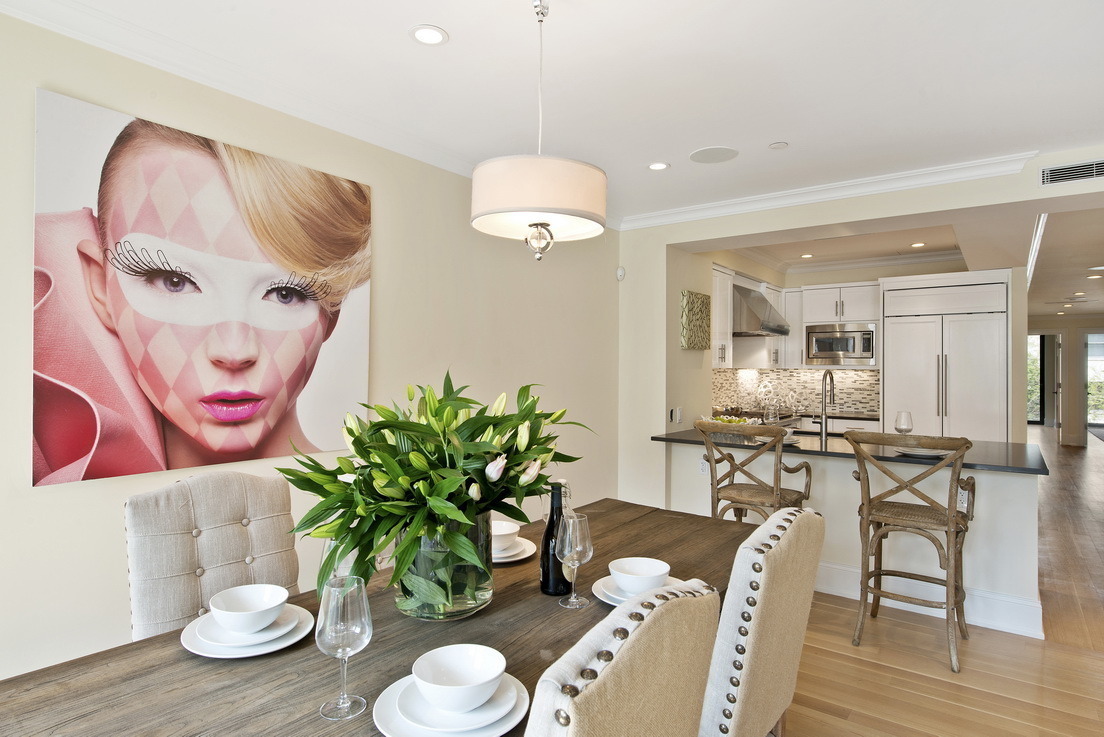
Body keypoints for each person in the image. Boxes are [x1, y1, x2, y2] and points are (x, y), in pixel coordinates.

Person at [33, 119, 371, 482]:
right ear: (100, 285)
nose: (234, 351)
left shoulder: (385, 510)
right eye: (175, 282)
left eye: (285, 293)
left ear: (331, 310)